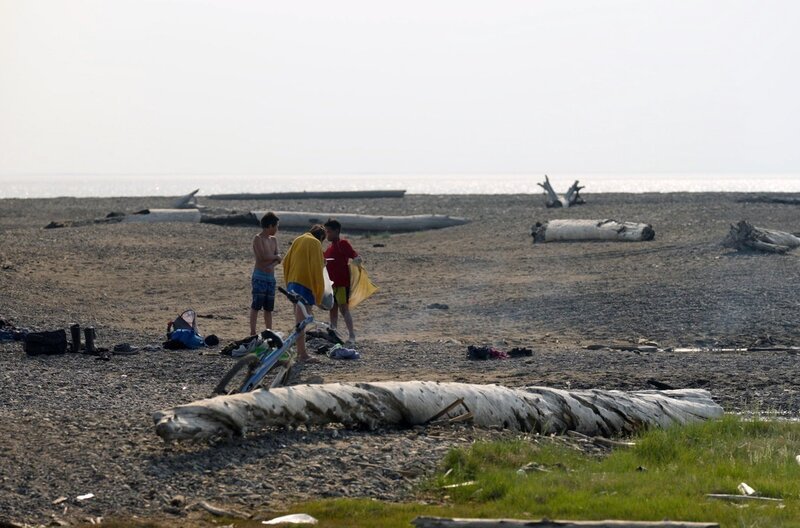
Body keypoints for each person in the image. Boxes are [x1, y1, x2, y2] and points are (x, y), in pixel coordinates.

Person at [281, 224, 326, 362]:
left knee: (299, 318)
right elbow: (317, 268)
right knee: (301, 322)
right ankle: (302, 355)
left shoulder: (298, 239)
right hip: (305, 284)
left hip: (293, 282)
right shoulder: (315, 243)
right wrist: (319, 292)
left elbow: (285, 261)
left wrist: (289, 279)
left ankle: (298, 351)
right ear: (321, 237)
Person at [323, 218, 362, 345]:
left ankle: (352, 335)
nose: (327, 234)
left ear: (336, 231)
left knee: (344, 309)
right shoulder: (329, 248)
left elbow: (354, 255)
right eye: (326, 231)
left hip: (341, 284)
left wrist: (356, 260)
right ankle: (333, 333)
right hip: (330, 284)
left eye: (329, 231)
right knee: (332, 309)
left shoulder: (343, 244)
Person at [249, 212, 281, 336]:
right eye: (276, 226)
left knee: (269, 308)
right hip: (259, 276)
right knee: (256, 305)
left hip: (271, 277)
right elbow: (263, 257)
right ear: (270, 226)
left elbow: (279, 259)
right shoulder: (258, 238)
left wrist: (272, 263)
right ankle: (252, 331)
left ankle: (269, 331)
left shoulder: (274, 239)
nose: (277, 229)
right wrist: (276, 257)